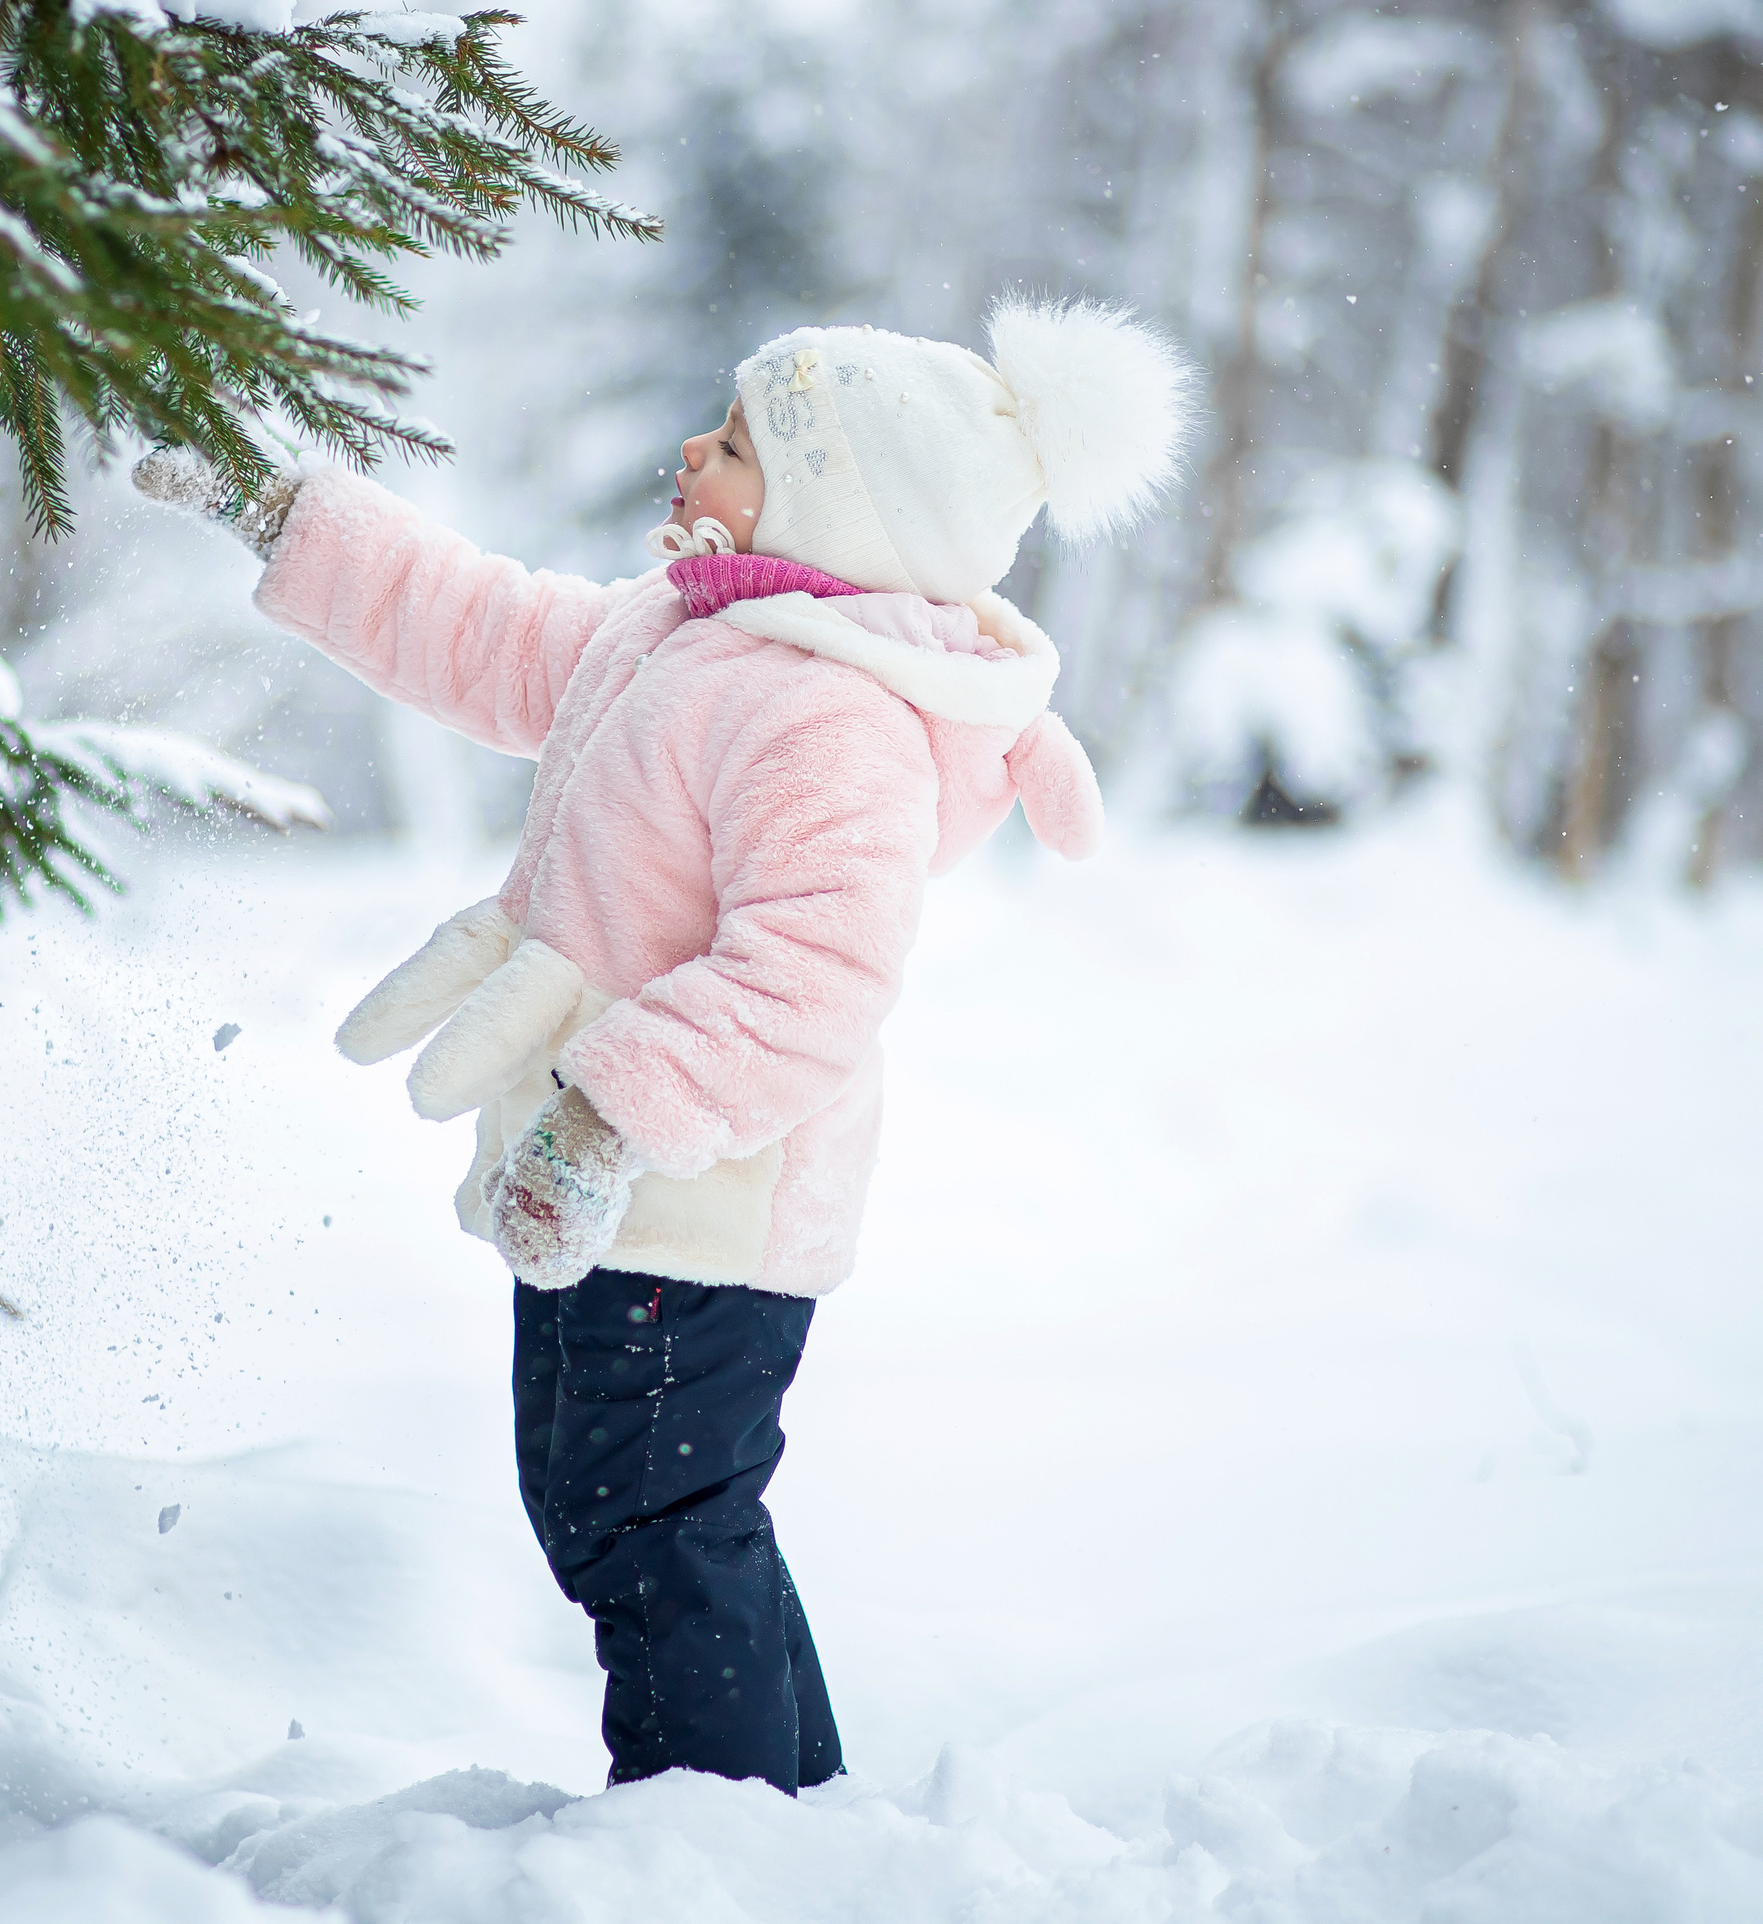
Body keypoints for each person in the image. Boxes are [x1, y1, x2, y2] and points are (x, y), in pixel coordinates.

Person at [135, 300, 1192, 1796]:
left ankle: (720, 1845)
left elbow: (815, 977)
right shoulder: (686, 632)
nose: (694, 449)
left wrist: (605, 1117)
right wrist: (287, 508)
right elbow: (481, 627)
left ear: (840, 511)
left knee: (656, 1525)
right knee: (615, 1513)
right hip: (617, 1183)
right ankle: (786, 1829)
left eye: (742, 442)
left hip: (708, 1203)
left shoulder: (833, 719)